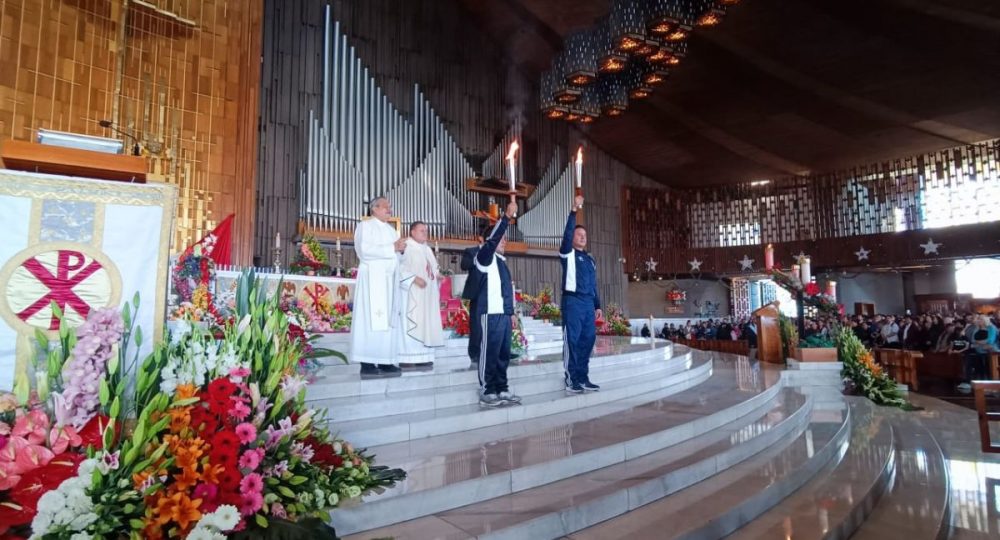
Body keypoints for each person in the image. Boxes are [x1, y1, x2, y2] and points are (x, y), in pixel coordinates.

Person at [350, 197, 407, 379]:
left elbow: (396, 256)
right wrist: (393, 247)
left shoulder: (391, 231)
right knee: (369, 320)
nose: (389, 210)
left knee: (388, 321)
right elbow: (364, 251)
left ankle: (386, 360)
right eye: (385, 207)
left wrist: (401, 251)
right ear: (374, 209)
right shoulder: (365, 227)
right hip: (372, 280)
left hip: (389, 282)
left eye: (390, 207)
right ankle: (367, 361)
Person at [474, 201, 521, 407]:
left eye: (505, 239)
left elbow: (506, 292)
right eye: (500, 238)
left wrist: (511, 313)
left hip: (503, 314)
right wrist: (506, 218)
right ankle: (487, 389)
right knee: (490, 352)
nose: (504, 241)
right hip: (490, 313)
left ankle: (502, 388)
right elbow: (492, 242)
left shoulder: (501, 262)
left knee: (503, 353)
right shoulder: (484, 257)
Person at [558, 195, 603, 394]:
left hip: (587, 303)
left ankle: (583, 377)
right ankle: (571, 379)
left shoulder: (590, 259)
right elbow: (567, 235)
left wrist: (597, 306)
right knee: (573, 340)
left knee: (588, 340)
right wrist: (573, 211)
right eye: (579, 234)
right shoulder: (568, 254)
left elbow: (593, 285)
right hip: (572, 302)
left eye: (584, 234)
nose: (582, 237)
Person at [396, 221, 445, 366]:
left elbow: (432, 268)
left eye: (426, 231)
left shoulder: (427, 249)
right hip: (412, 293)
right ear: (412, 232)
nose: (425, 233)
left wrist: (437, 275)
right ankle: (408, 358)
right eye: (422, 230)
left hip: (427, 294)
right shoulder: (406, 247)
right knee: (412, 322)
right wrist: (413, 278)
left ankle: (424, 357)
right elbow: (398, 267)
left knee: (426, 323)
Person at [460, 234, 484, 366]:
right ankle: (474, 353)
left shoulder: (496, 253)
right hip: (477, 293)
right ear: (482, 239)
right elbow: (464, 265)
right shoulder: (471, 251)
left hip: (490, 293)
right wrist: (476, 259)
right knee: (476, 324)